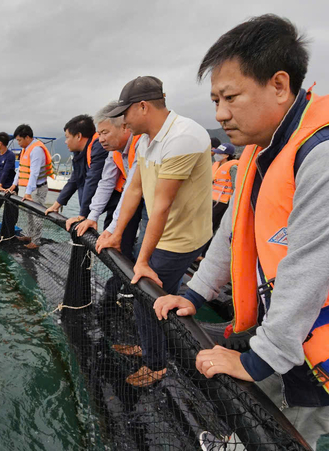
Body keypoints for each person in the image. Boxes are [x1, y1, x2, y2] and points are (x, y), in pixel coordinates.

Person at [153, 15, 329, 449]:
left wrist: (260, 358)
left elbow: (311, 266)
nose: (220, 114)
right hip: (286, 330)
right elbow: (232, 233)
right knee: (263, 407)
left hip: (317, 351)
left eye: (230, 97)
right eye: (215, 100)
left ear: (279, 85)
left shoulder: (320, 154)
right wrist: (194, 295)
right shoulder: (260, 150)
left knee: (295, 430)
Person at [96, 76, 213, 387]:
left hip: (180, 238)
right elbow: (133, 190)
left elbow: (160, 207)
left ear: (144, 106)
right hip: (165, 234)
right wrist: (116, 233)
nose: (123, 120)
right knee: (145, 296)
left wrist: (143, 261)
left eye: (126, 113)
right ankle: (149, 347)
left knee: (146, 295)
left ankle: (156, 364)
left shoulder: (183, 137)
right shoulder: (148, 140)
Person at [70, 102, 144, 261]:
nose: (101, 139)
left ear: (124, 127)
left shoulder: (141, 144)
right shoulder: (114, 150)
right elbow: (106, 182)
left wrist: (111, 230)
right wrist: (92, 216)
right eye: (99, 134)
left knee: (144, 251)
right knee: (123, 245)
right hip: (134, 200)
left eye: (105, 133)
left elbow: (131, 188)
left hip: (152, 202)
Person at [45, 115, 106, 221]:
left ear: (78, 136)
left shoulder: (99, 147)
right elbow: (75, 179)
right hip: (93, 209)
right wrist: (56, 205)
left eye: (67, 137)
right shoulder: (80, 153)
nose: (65, 141)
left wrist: (82, 216)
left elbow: (92, 180)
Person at [8, 124, 55, 250]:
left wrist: (28, 192)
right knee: (29, 213)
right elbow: (21, 169)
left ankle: (35, 241)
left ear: (27, 137)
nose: (18, 143)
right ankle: (29, 235)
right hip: (29, 188)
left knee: (37, 215)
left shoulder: (36, 149)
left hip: (38, 188)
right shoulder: (25, 149)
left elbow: (34, 173)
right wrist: (14, 184)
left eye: (19, 140)